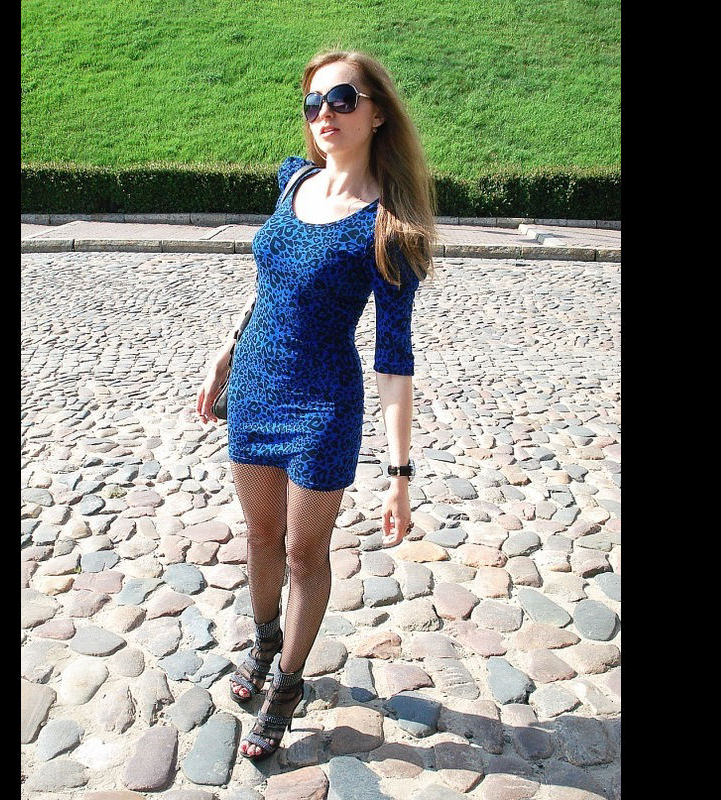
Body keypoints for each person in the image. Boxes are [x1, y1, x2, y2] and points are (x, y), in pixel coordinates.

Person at [194, 48, 437, 761]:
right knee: (260, 538)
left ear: (377, 113)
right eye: (313, 102)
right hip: (255, 389)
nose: (323, 114)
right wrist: (226, 349)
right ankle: (264, 638)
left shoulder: (390, 227)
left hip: (322, 407)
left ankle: (289, 683)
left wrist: (400, 476)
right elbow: (270, 284)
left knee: (305, 552)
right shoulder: (293, 180)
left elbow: (394, 361)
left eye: (341, 99)